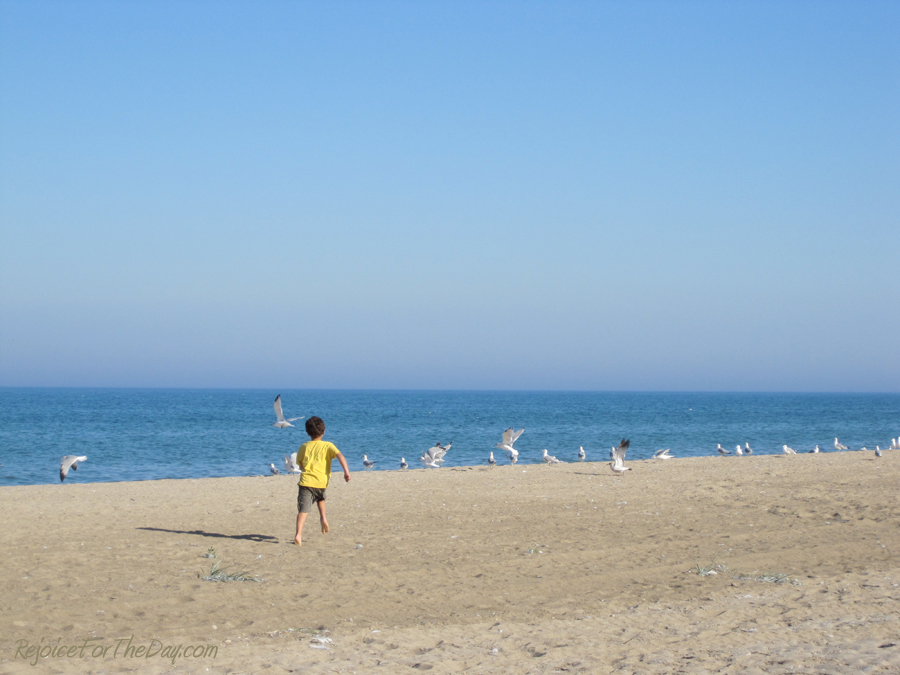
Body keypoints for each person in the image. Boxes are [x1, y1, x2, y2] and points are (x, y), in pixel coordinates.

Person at [293, 416, 351, 546]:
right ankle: (323, 518)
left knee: (303, 510)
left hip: (306, 482)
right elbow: (340, 456)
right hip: (321, 482)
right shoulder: (328, 445)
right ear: (323, 431)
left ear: (307, 432)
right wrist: (346, 471)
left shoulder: (303, 447)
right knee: (320, 498)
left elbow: (300, 465)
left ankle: (298, 534)